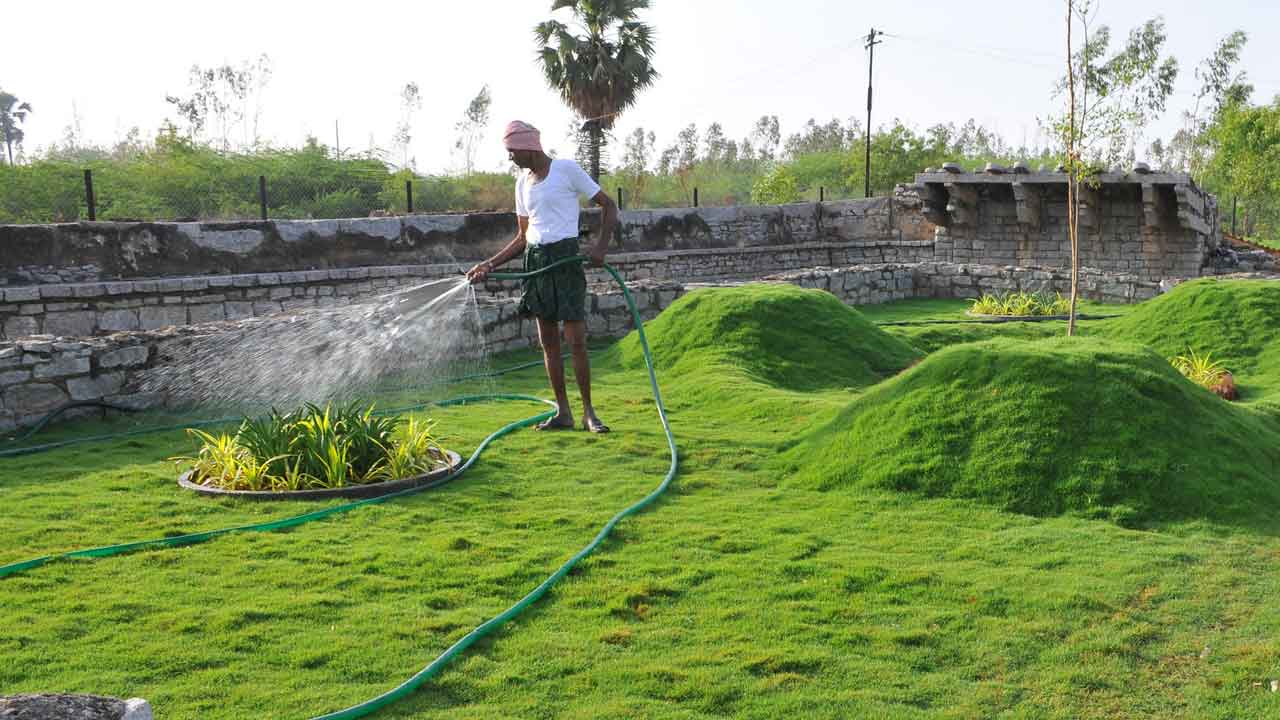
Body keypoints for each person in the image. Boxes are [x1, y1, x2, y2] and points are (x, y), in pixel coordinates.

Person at [466, 120, 619, 433]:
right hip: (536, 261)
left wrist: (600, 246)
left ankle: (589, 412)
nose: (511, 159)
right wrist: (489, 265)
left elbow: (608, 205)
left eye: (512, 152)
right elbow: (523, 237)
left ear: (527, 147)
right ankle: (564, 412)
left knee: (575, 340)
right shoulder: (522, 183)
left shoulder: (565, 170)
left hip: (565, 259)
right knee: (548, 342)